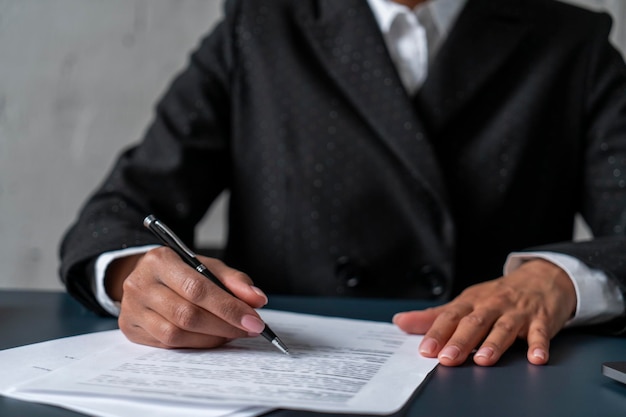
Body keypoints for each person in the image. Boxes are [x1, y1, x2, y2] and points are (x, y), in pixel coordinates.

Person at [60, 0, 626, 368]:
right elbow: (121, 208)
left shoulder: (573, 42)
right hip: (287, 373)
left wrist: (559, 279)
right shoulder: (257, 27)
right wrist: (136, 275)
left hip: (493, 373)